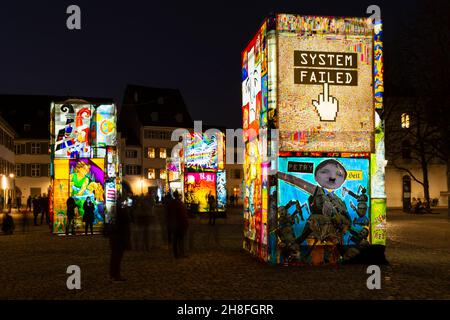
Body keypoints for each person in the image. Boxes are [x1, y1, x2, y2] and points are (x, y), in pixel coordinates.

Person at [109, 197, 132, 281]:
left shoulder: (113, 211)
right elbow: (126, 222)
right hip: (119, 236)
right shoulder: (122, 212)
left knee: (114, 255)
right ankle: (116, 274)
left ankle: (113, 273)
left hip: (114, 235)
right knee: (118, 255)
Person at [167, 191, 189, 259]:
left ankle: (176, 254)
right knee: (181, 239)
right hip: (180, 223)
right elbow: (183, 214)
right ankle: (181, 253)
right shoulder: (181, 203)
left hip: (174, 223)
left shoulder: (171, 204)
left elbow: (168, 215)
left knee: (175, 240)